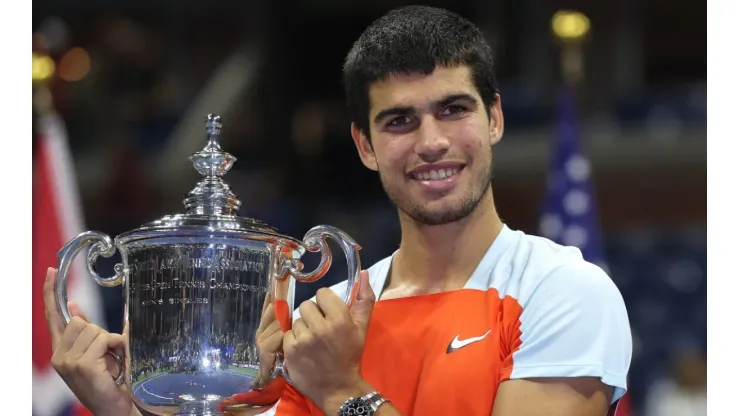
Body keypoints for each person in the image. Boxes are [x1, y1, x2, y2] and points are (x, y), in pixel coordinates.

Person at [42, 5, 631, 416]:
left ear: (495, 119)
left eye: (454, 109)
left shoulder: (564, 291)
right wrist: (120, 408)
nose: (430, 142)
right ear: (365, 146)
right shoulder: (327, 325)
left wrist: (344, 392)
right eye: (399, 120)